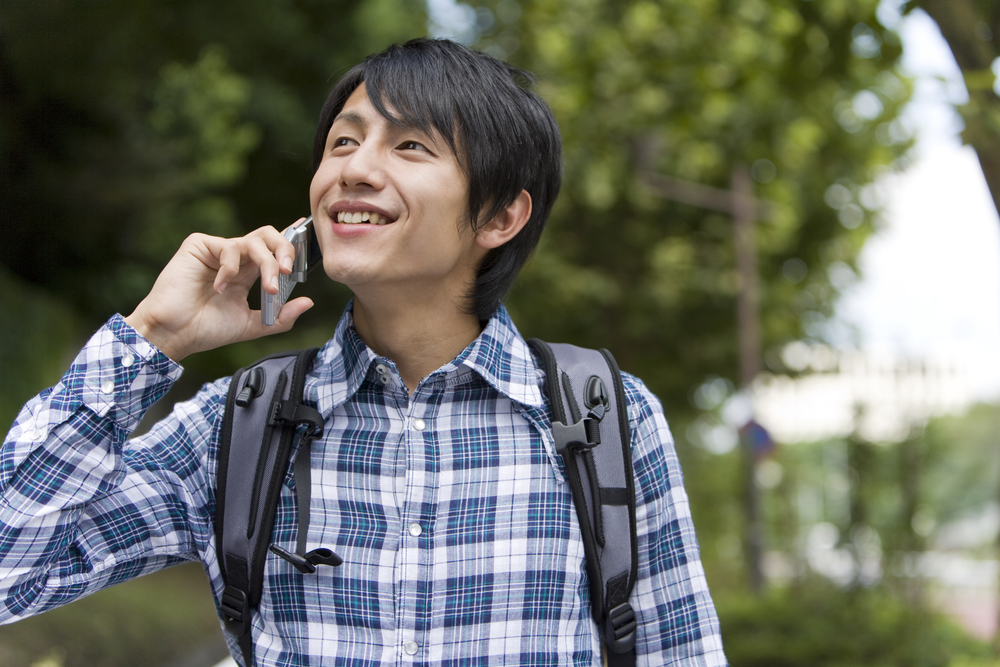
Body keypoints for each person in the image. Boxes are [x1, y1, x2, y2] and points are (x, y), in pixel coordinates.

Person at [0, 38, 726, 665]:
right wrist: (152, 336)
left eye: (410, 146)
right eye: (343, 141)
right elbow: (12, 570)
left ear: (502, 214)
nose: (353, 168)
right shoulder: (238, 426)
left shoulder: (606, 417)